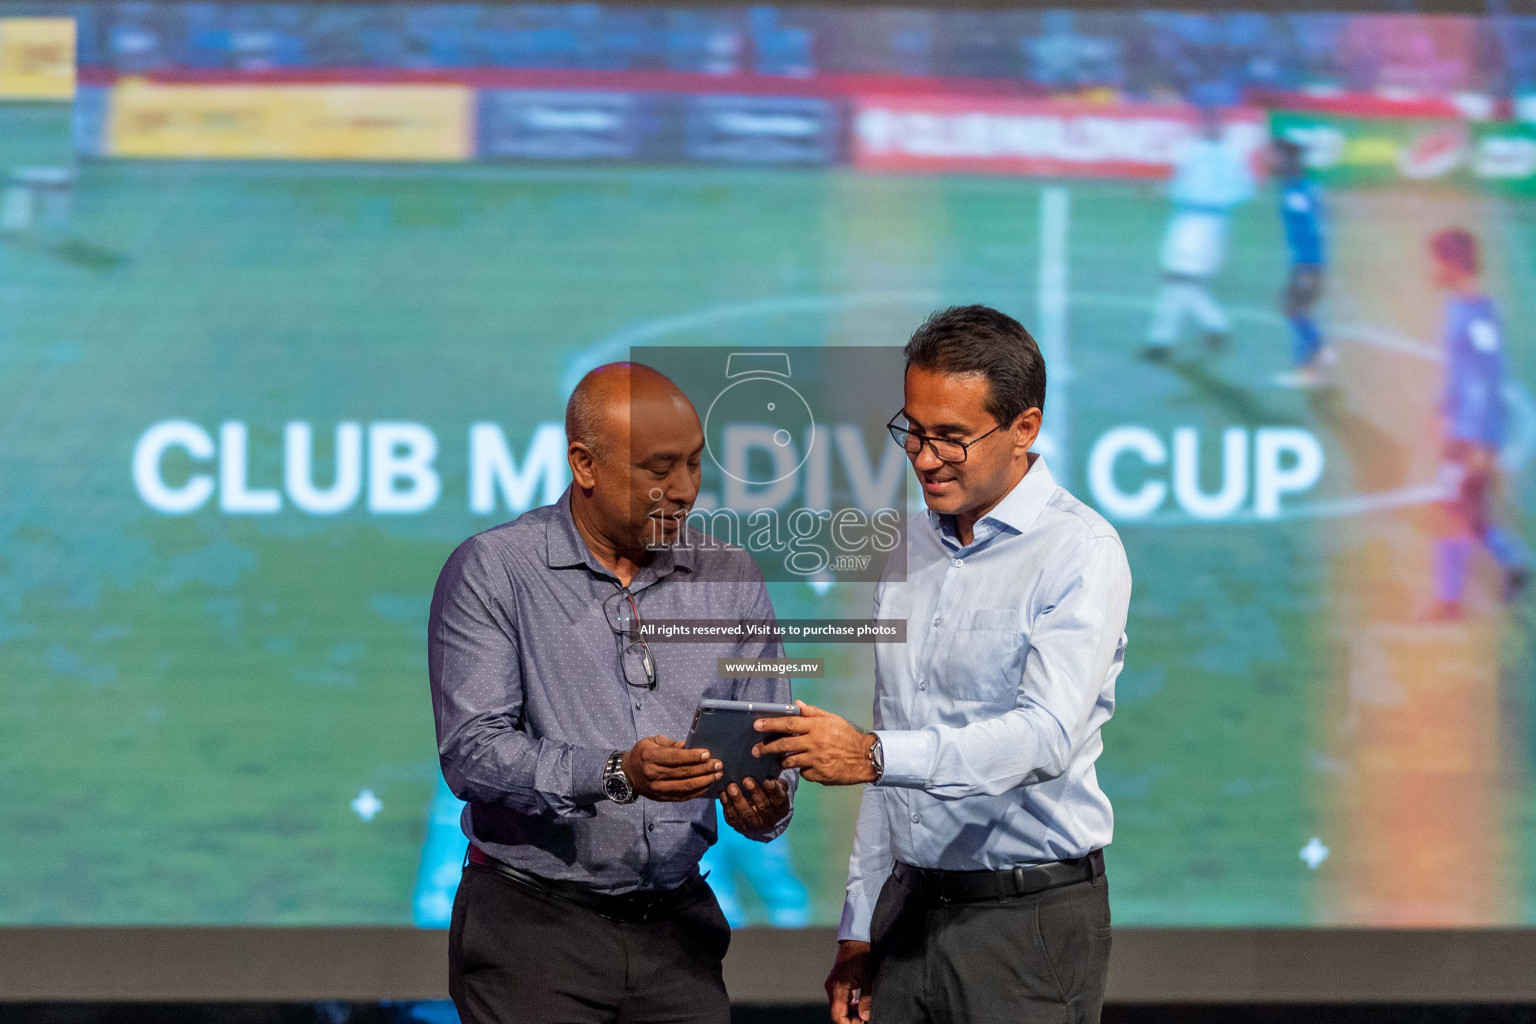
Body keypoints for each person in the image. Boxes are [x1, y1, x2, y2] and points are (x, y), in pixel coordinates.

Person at [755, 306, 1131, 1023]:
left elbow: (1045, 737)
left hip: (1026, 925)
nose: (924, 458)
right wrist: (858, 929)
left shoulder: (1080, 552)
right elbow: (889, 752)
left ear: (1025, 429)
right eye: (914, 432)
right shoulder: (907, 547)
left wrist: (873, 754)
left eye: (951, 438)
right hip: (907, 913)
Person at [430, 362, 796, 1024]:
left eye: (694, 464)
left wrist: (764, 804)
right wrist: (617, 774)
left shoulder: (730, 575)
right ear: (585, 465)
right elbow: (473, 754)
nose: (684, 490)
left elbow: (767, 748)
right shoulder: (495, 570)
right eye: (659, 470)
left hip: (679, 933)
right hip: (535, 934)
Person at [1427, 229, 1529, 619]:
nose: (1432, 269)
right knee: (1465, 512)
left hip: (1475, 436)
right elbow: (1458, 371)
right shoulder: (1456, 306)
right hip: (1458, 431)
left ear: (1454, 265)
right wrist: (1441, 408)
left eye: (1437, 261)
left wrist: (1485, 446)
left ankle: (1448, 601)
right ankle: (1515, 563)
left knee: (1456, 511)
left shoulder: (1481, 317)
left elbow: (1489, 381)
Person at [1142, 106, 1256, 362]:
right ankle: (1165, 340)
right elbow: (1244, 191)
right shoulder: (1223, 154)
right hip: (1202, 220)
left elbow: (1239, 190)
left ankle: (1197, 329)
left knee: (1179, 279)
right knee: (1182, 281)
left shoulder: (1209, 153)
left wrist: (1208, 197)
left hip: (1198, 222)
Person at [1271, 137, 1334, 388]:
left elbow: (1309, 226)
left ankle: (1315, 352)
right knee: (1294, 308)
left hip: (1307, 262)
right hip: (1307, 260)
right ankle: (1312, 362)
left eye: (1278, 157)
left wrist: (1308, 268)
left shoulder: (1295, 192)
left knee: (1294, 308)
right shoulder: (1302, 188)